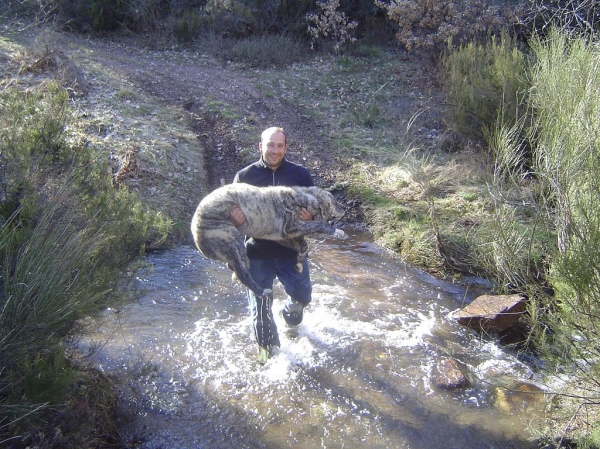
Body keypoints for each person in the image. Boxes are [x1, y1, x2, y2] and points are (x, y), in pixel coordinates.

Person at [230, 126, 314, 363]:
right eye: (270, 145)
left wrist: (312, 217)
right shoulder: (244, 176)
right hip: (257, 253)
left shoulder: (301, 175)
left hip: (292, 251)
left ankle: (290, 316)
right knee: (260, 310)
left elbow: (317, 209)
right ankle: (269, 357)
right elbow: (229, 215)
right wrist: (233, 219)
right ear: (260, 146)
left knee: (302, 298)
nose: (274, 150)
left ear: (286, 148)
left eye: (279, 146)